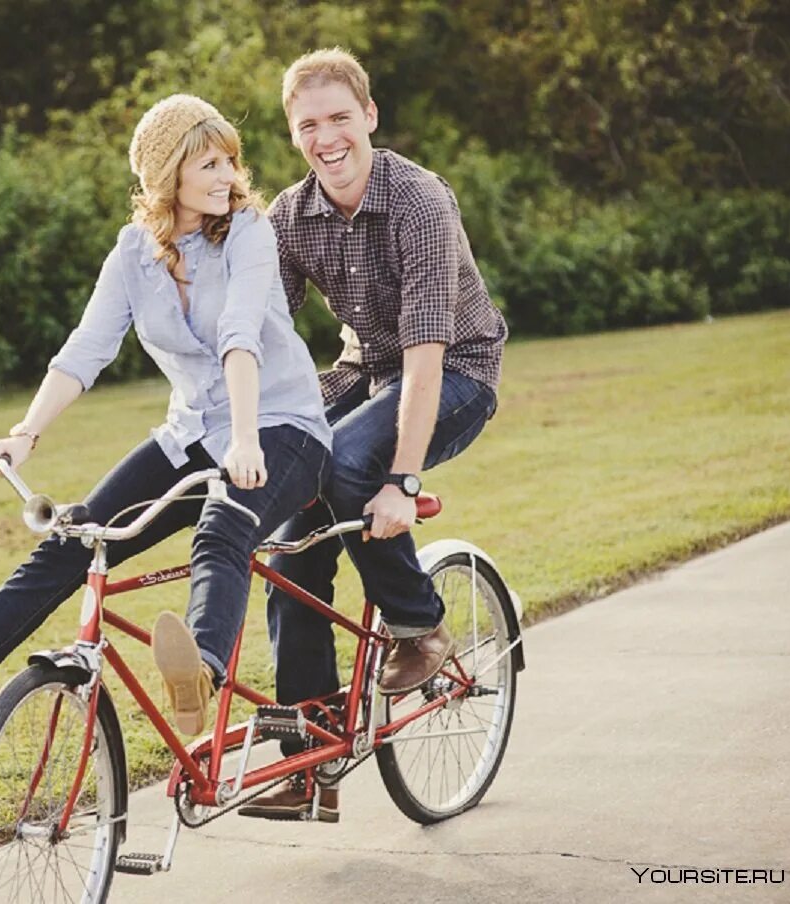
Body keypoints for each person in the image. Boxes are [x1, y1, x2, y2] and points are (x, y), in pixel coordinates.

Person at [0, 94, 332, 739]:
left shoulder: (249, 231)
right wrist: (26, 432)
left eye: (230, 162)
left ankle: (200, 675)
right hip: (192, 434)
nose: (229, 178)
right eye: (210, 164)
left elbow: (241, 336)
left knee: (223, 529)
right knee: (72, 539)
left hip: (280, 429)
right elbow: (85, 351)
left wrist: (246, 440)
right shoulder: (134, 252)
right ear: (168, 177)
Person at [237, 48, 508, 821]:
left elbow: (425, 356)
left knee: (350, 464)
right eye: (307, 125)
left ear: (369, 117)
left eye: (339, 118)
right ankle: (308, 760)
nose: (326, 138)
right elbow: (259, 335)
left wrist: (403, 480)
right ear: (294, 135)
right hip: (361, 374)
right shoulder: (289, 216)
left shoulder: (419, 201)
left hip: (455, 371)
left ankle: (419, 624)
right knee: (288, 545)